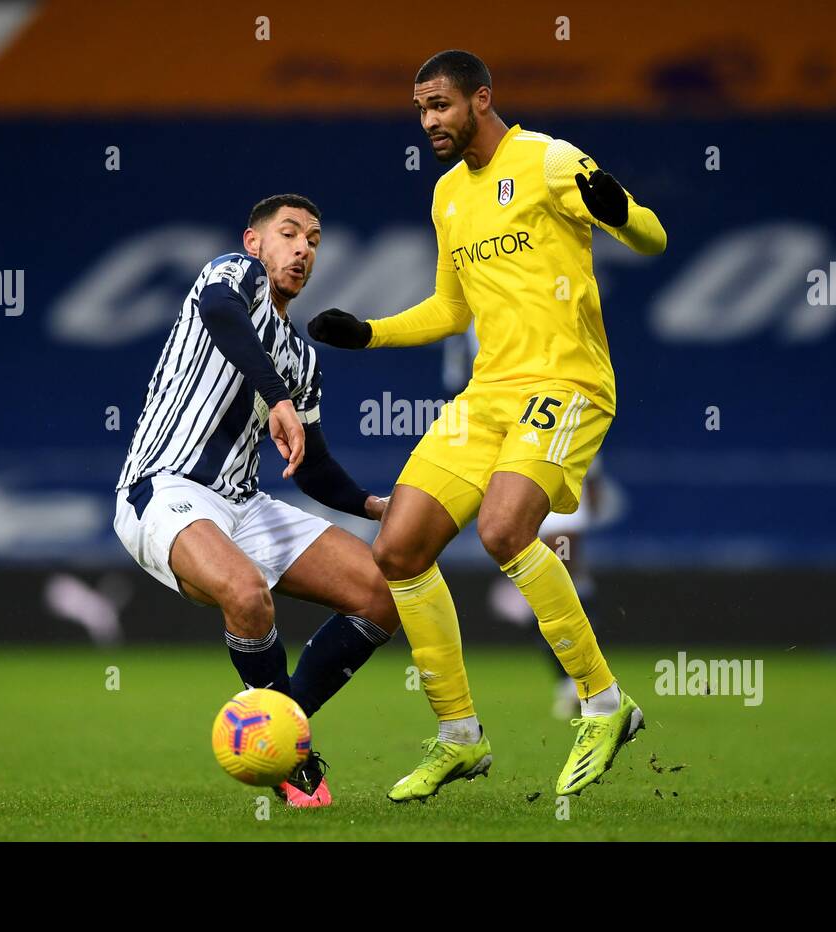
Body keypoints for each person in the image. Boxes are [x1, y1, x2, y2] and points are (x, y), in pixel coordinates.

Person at [309, 50, 666, 800]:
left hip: (567, 383)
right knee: (399, 549)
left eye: (439, 105)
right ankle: (459, 738)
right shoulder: (446, 196)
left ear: (481, 99)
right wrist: (368, 334)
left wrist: (618, 209)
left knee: (505, 531)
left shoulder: (547, 160)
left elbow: (652, 237)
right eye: (419, 109)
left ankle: (604, 705)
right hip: (488, 392)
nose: (428, 121)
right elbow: (450, 311)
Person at [115, 194, 396, 808]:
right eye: (289, 233)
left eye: (314, 240)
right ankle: (296, 763)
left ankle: (278, 728)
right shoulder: (230, 278)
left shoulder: (303, 358)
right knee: (247, 595)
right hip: (165, 489)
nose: (302, 248)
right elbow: (220, 313)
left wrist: (378, 506)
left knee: (381, 592)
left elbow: (315, 469)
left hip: (245, 504)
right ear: (254, 242)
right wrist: (277, 397)